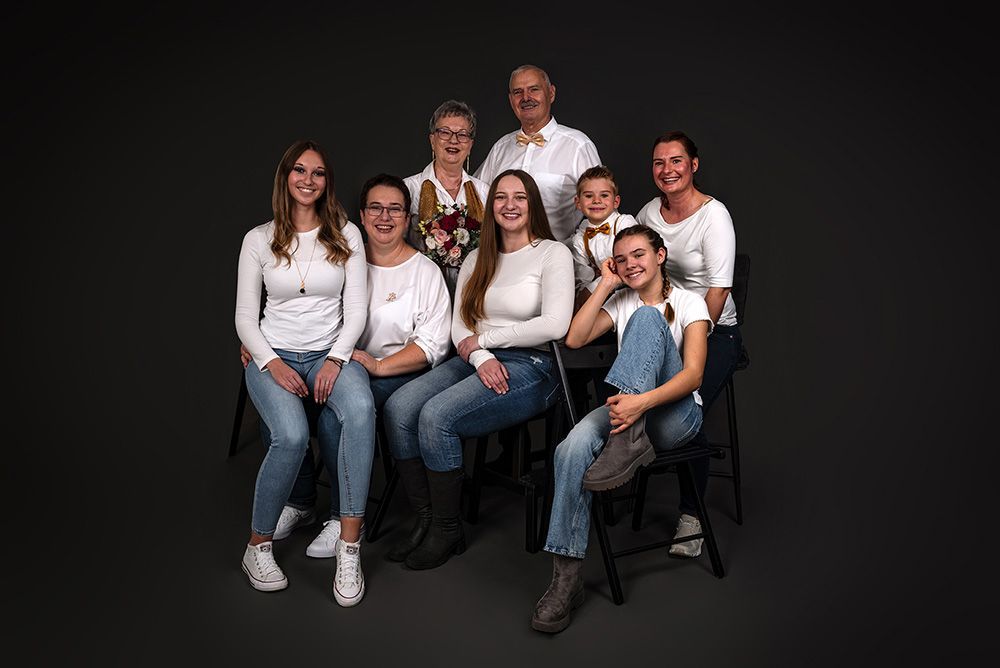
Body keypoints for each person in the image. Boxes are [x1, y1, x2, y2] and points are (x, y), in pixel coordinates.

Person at [244, 174, 453, 568]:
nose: (385, 217)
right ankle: (300, 500)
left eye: (395, 209)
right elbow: (305, 306)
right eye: (376, 208)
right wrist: (260, 341)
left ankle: (340, 518)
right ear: (362, 214)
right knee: (281, 410)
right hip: (334, 362)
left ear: (407, 219)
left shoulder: (424, 272)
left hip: (393, 372)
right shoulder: (340, 256)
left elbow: (433, 345)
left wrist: (377, 365)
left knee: (334, 416)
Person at [382, 169, 574, 570]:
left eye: (519, 197)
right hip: (475, 359)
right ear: (491, 207)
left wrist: (485, 342)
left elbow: (555, 325)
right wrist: (481, 356)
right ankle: (426, 518)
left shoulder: (552, 253)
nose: (509, 205)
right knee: (399, 408)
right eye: (501, 197)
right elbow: (460, 324)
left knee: (436, 417)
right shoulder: (477, 256)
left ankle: (447, 529)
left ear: (532, 204)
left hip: (533, 365)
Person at [531, 224, 711, 633]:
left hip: (674, 416)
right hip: (627, 413)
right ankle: (566, 579)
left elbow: (694, 375)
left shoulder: (689, 302)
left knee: (647, 318)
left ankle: (628, 440)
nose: (630, 264)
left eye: (639, 255)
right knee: (569, 448)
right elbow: (575, 339)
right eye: (621, 259)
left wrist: (640, 404)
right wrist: (606, 284)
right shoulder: (621, 299)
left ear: (660, 256)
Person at [234, 139, 370, 606]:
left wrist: (336, 358)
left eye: (318, 172)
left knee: (360, 410)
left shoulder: (347, 234)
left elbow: (356, 310)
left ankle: (349, 547)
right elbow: (244, 317)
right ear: (285, 177)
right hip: (273, 353)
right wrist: (270, 361)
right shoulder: (258, 239)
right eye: (299, 170)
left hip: (329, 352)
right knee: (291, 436)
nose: (308, 180)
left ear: (327, 182)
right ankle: (257, 547)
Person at [635, 130, 741, 559]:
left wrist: (688, 341)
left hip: (715, 331)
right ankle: (618, 466)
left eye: (676, 161)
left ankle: (691, 515)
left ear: (693, 165)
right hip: (664, 328)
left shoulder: (714, 216)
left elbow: (718, 290)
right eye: (659, 162)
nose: (667, 170)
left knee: (684, 407)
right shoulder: (648, 212)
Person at [474, 64, 601, 244]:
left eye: (534, 89)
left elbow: (602, 206)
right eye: (518, 92)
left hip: (557, 254)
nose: (526, 98)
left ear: (551, 93)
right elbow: (475, 197)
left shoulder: (578, 145)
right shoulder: (500, 148)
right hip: (502, 255)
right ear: (511, 100)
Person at [404, 99, 489, 257]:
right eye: (445, 132)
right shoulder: (409, 189)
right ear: (432, 140)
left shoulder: (484, 192)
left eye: (462, 134)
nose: (453, 140)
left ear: (470, 145)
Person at [568, 165, 638, 311]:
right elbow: (582, 284)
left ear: (616, 201)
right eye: (589, 196)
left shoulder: (624, 223)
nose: (596, 200)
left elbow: (630, 265)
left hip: (634, 293)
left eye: (604, 195)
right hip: (605, 300)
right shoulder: (580, 238)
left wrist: (598, 281)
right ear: (578, 203)